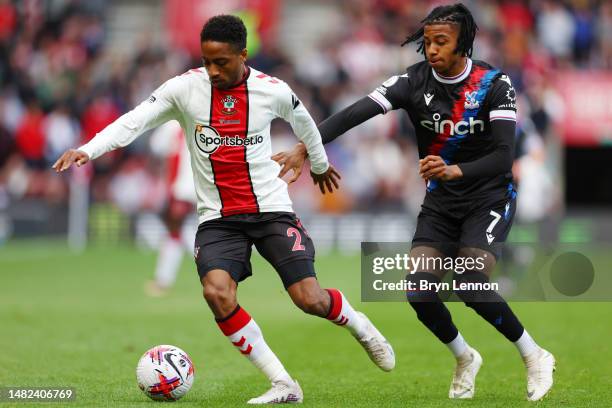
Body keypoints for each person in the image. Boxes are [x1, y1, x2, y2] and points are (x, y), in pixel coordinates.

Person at [53, 14, 394, 404]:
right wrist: (88, 149)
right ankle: (283, 383)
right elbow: (135, 121)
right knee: (217, 293)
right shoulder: (184, 88)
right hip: (218, 217)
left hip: (271, 209)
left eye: (222, 62)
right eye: (207, 61)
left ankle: (362, 327)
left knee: (309, 299)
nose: (212, 70)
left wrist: (317, 165)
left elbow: (306, 124)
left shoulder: (273, 90)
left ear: (243, 55)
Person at [274, 3, 554, 402]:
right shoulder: (411, 81)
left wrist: (455, 170)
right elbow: (355, 113)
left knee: (470, 281)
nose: (432, 49)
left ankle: (534, 355)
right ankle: (465, 357)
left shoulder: (494, 83)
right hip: (441, 204)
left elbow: (503, 155)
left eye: (442, 41)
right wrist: (305, 147)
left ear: (464, 43)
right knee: (419, 291)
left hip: (487, 198)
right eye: (427, 42)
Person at [146, 122, 198, 297]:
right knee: (180, 233)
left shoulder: (173, 125)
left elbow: (156, 147)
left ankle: (214, 270)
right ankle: (163, 280)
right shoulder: (200, 118)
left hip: (183, 188)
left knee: (180, 232)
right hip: (196, 187)